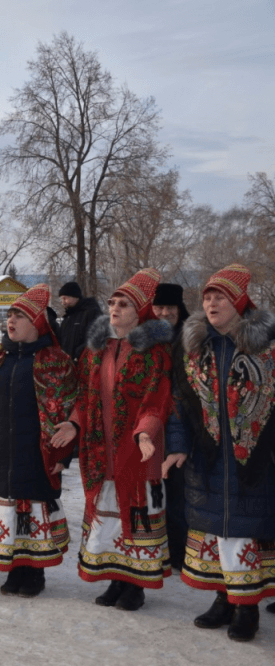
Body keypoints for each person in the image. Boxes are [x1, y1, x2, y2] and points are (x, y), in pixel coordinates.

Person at [51, 268, 174, 612]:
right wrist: (74, 425)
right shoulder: (95, 351)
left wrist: (146, 431)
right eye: (112, 302)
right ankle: (116, 577)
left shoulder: (155, 354)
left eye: (123, 304)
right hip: (100, 451)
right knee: (108, 516)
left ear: (141, 312)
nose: (115, 308)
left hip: (138, 451)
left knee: (134, 513)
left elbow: (158, 399)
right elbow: (84, 398)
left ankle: (135, 585)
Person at [168, 264, 274, 642]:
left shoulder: (268, 349)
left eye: (221, 297)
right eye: (208, 297)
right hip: (208, 457)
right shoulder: (195, 350)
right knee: (215, 532)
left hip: (256, 461)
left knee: (245, 532)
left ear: (240, 302)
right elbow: (180, 403)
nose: (212, 303)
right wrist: (177, 446)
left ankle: (247, 608)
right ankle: (222, 599)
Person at [0, 285, 78, 597]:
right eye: (10, 315)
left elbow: (70, 408)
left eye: (19, 316)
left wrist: (64, 452)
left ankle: (34, 574)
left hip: (36, 456)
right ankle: (12, 572)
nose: (11, 321)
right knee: (8, 513)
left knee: (31, 514)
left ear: (36, 322)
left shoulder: (57, 362)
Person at [152, 283, 191, 572]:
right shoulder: (147, 339)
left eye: (170, 308)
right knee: (155, 494)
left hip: (183, 427)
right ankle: (160, 548)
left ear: (180, 310)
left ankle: (180, 552)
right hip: (150, 429)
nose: (164, 313)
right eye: (159, 308)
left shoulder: (190, 339)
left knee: (179, 496)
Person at [57, 281, 102, 364]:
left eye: (65, 298)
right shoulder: (67, 318)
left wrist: (79, 354)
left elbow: (96, 337)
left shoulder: (91, 312)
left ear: (75, 297)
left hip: (86, 365)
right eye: (61, 299)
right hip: (69, 366)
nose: (62, 302)